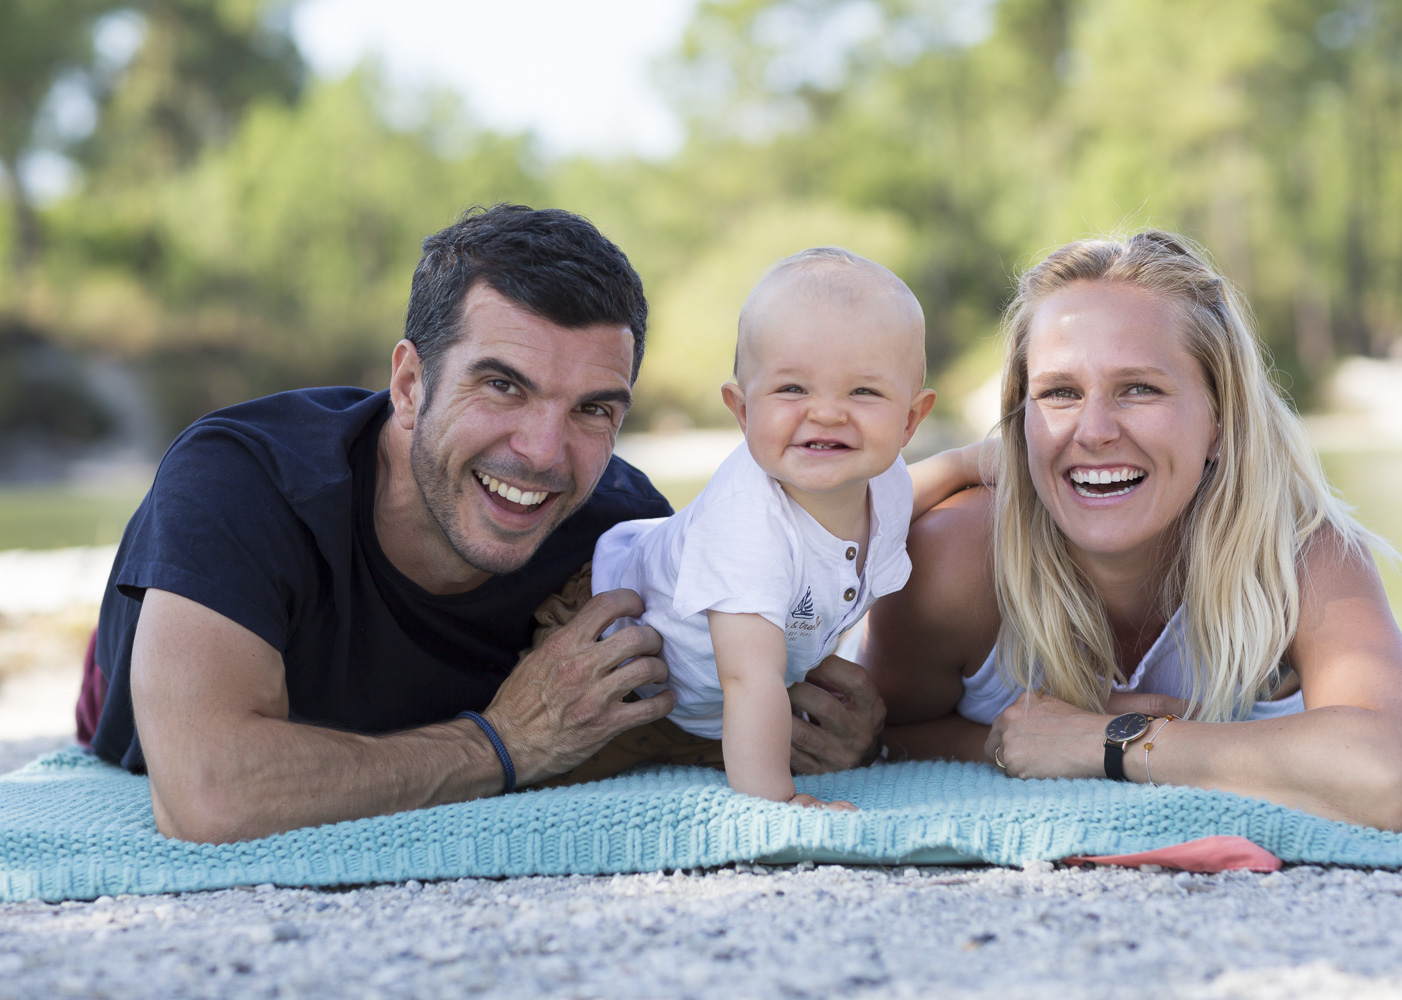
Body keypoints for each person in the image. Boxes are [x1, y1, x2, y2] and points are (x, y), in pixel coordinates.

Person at [80, 204, 884, 843]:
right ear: (407, 383)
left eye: (592, 409)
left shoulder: (624, 533)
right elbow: (208, 795)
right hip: (124, 698)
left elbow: (684, 723)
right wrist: (504, 744)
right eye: (502, 386)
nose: (541, 452)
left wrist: (813, 729)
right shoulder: (242, 479)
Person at [863, 230, 1402, 833]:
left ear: (1221, 420)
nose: (1094, 430)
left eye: (1139, 388)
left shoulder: (1297, 555)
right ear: (1021, 421)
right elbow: (886, 735)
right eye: (1060, 392)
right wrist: (997, 743)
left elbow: (1393, 775)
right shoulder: (957, 554)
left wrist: (1109, 743)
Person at [578, 248, 978, 808]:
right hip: (615, 652)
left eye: (863, 391)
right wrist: (778, 802)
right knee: (573, 770)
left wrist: (972, 464)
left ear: (911, 419)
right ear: (742, 411)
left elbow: (914, 492)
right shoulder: (747, 527)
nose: (828, 413)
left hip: (714, 692)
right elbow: (749, 680)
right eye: (792, 389)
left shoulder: (880, 478)